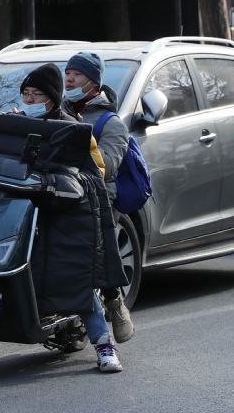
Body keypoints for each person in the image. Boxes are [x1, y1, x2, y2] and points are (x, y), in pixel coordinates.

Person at [0, 63, 122, 373]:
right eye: (26, 94)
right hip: (9, 215)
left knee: (72, 274)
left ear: (52, 98)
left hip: (52, 217)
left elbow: (92, 173)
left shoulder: (72, 129)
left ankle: (104, 345)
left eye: (37, 95)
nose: (30, 100)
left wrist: (57, 183)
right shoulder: (11, 124)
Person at [62, 50, 135, 361]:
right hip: (60, 194)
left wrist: (81, 137)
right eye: (67, 74)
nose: (69, 79)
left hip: (96, 201)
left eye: (76, 75)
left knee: (93, 260)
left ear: (93, 82)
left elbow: (105, 167)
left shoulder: (111, 123)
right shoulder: (55, 109)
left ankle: (114, 303)